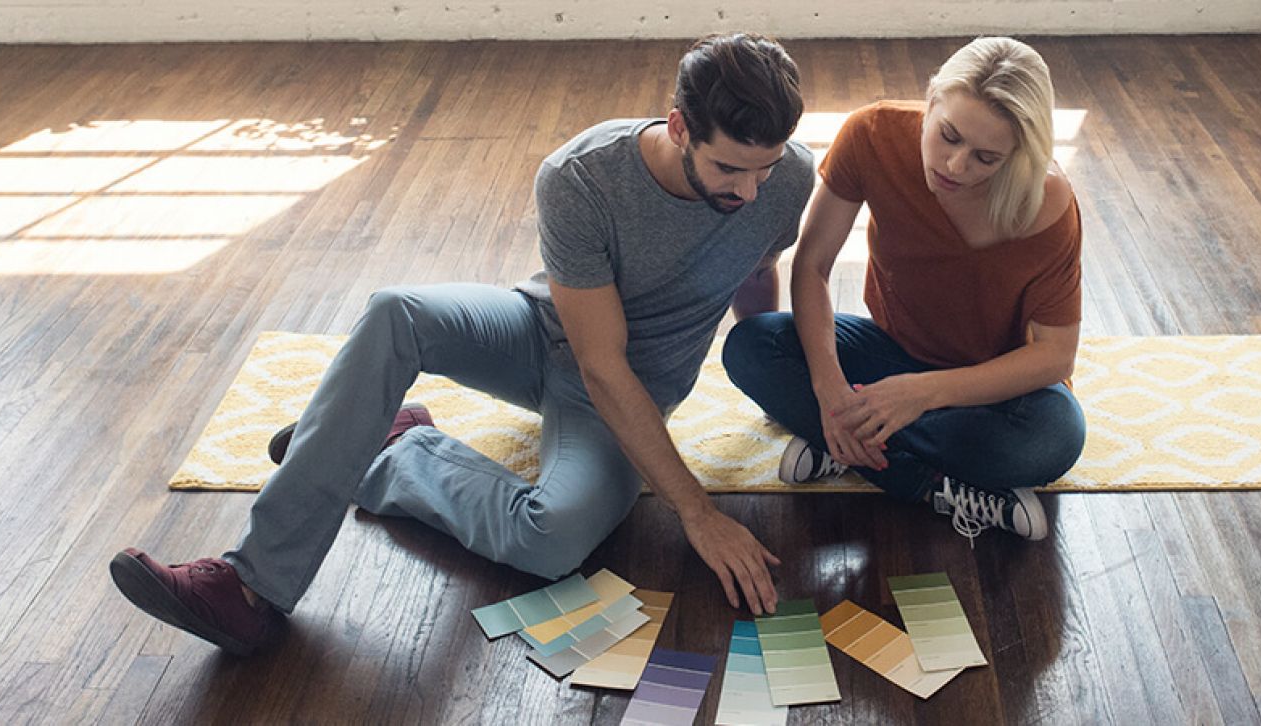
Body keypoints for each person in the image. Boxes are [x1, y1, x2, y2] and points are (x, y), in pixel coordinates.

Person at [110, 33, 814, 655]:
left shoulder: (785, 180)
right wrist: (698, 511)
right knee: (396, 313)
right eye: (729, 170)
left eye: (765, 168)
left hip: (632, 386)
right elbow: (598, 362)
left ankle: (390, 448)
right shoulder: (582, 177)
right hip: (549, 336)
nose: (752, 191)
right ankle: (250, 587)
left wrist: (772, 377)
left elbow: (757, 266)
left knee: (551, 539)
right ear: (680, 126)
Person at [724, 36, 1085, 543]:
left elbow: (1054, 357)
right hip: (890, 354)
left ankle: (851, 450)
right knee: (751, 345)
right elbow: (813, 267)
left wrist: (921, 394)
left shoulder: (1047, 204)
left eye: (987, 158)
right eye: (949, 136)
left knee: (1056, 436)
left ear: (1020, 154)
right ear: (932, 99)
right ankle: (932, 483)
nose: (956, 166)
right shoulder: (871, 134)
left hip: (987, 388)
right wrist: (830, 393)